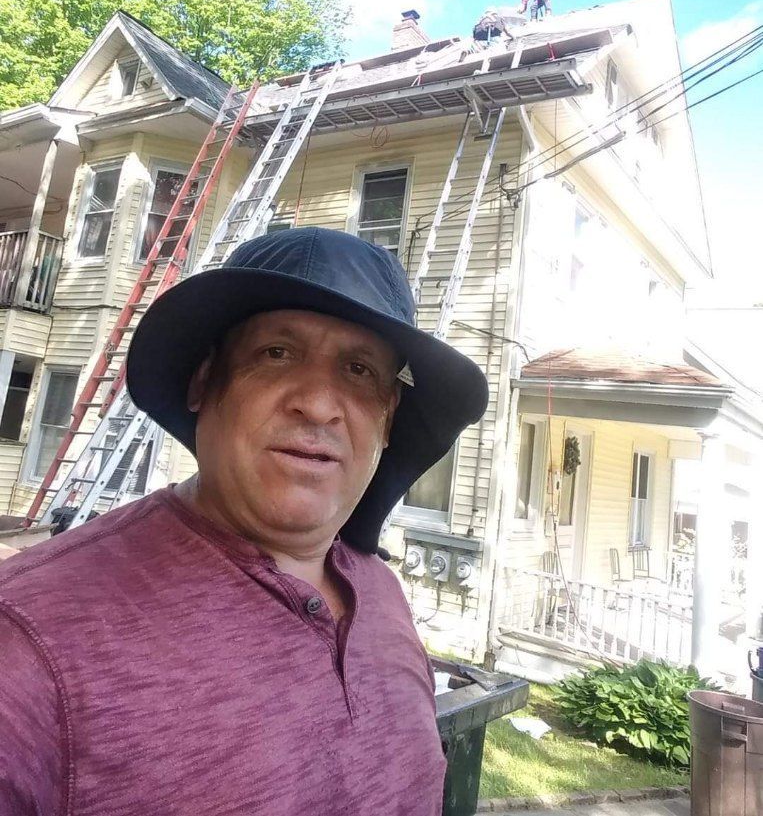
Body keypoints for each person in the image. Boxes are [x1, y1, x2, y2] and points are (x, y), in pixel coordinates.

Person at [0, 226, 488, 815]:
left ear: (388, 418)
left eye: (359, 371)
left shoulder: (382, 595)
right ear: (205, 382)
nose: (319, 403)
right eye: (276, 353)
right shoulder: (30, 640)